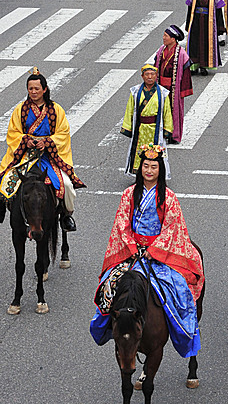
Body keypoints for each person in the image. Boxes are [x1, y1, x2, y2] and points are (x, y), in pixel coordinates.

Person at [90, 146, 204, 357]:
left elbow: (172, 227)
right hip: (132, 252)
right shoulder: (129, 194)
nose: (149, 170)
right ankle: (107, 327)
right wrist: (132, 248)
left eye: (154, 166)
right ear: (139, 168)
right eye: (146, 166)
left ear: (160, 169)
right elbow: (122, 223)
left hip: (159, 254)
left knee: (179, 290)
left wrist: (154, 250)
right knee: (109, 286)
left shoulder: (169, 197)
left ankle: (185, 333)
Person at [0, 69, 85, 230]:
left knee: (66, 185)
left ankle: (66, 216)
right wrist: (25, 140)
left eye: (36, 89)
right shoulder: (20, 110)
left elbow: (63, 133)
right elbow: (13, 132)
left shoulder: (55, 110)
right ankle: (2, 208)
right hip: (25, 155)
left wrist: (48, 142)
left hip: (48, 157)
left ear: (44, 89)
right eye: (30, 89)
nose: (33, 92)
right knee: (5, 178)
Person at [121, 65, 173, 177]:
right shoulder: (135, 92)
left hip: (155, 128)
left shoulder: (163, 93)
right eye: (147, 74)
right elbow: (130, 109)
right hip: (140, 128)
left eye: (152, 74)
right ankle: (139, 174)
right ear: (142, 76)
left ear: (156, 76)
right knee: (139, 151)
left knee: (156, 152)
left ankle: (156, 175)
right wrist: (127, 127)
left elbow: (167, 113)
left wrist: (167, 129)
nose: (150, 77)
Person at [153, 26, 193, 145]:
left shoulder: (181, 54)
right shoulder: (161, 51)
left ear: (173, 39)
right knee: (161, 110)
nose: (163, 38)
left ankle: (174, 136)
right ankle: (162, 133)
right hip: (161, 86)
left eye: (166, 36)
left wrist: (183, 90)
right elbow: (155, 67)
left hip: (174, 87)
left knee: (174, 111)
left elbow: (186, 74)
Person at [185, 0, 225, 75]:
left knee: (206, 44)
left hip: (208, 24)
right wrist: (188, 24)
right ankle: (194, 66)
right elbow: (190, 8)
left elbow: (219, 11)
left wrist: (220, 27)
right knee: (194, 44)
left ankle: (204, 66)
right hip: (196, 23)